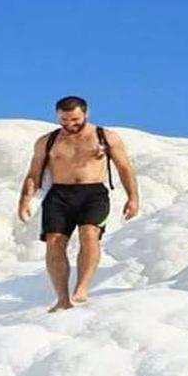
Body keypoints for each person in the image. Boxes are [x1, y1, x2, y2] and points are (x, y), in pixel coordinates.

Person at [18, 96, 140, 311]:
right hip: (59, 195)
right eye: (63, 120)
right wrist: (25, 200)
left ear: (86, 113)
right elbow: (34, 173)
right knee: (54, 241)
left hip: (93, 194)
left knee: (89, 234)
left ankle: (82, 288)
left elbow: (124, 168)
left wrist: (133, 198)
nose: (69, 124)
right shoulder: (48, 141)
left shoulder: (106, 137)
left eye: (74, 119)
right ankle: (62, 298)